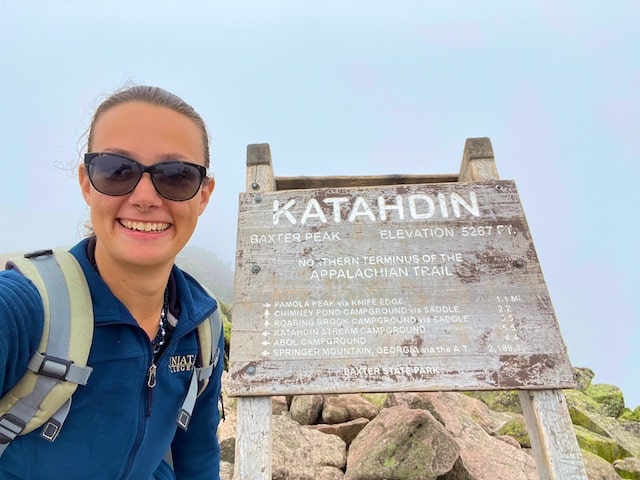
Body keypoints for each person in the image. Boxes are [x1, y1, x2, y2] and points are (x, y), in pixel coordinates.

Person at [0, 85, 224, 479]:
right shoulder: (26, 308)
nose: (144, 197)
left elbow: (198, 458)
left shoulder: (201, 326)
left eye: (176, 176)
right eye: (117, 170)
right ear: (87, 183)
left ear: (203, 196)